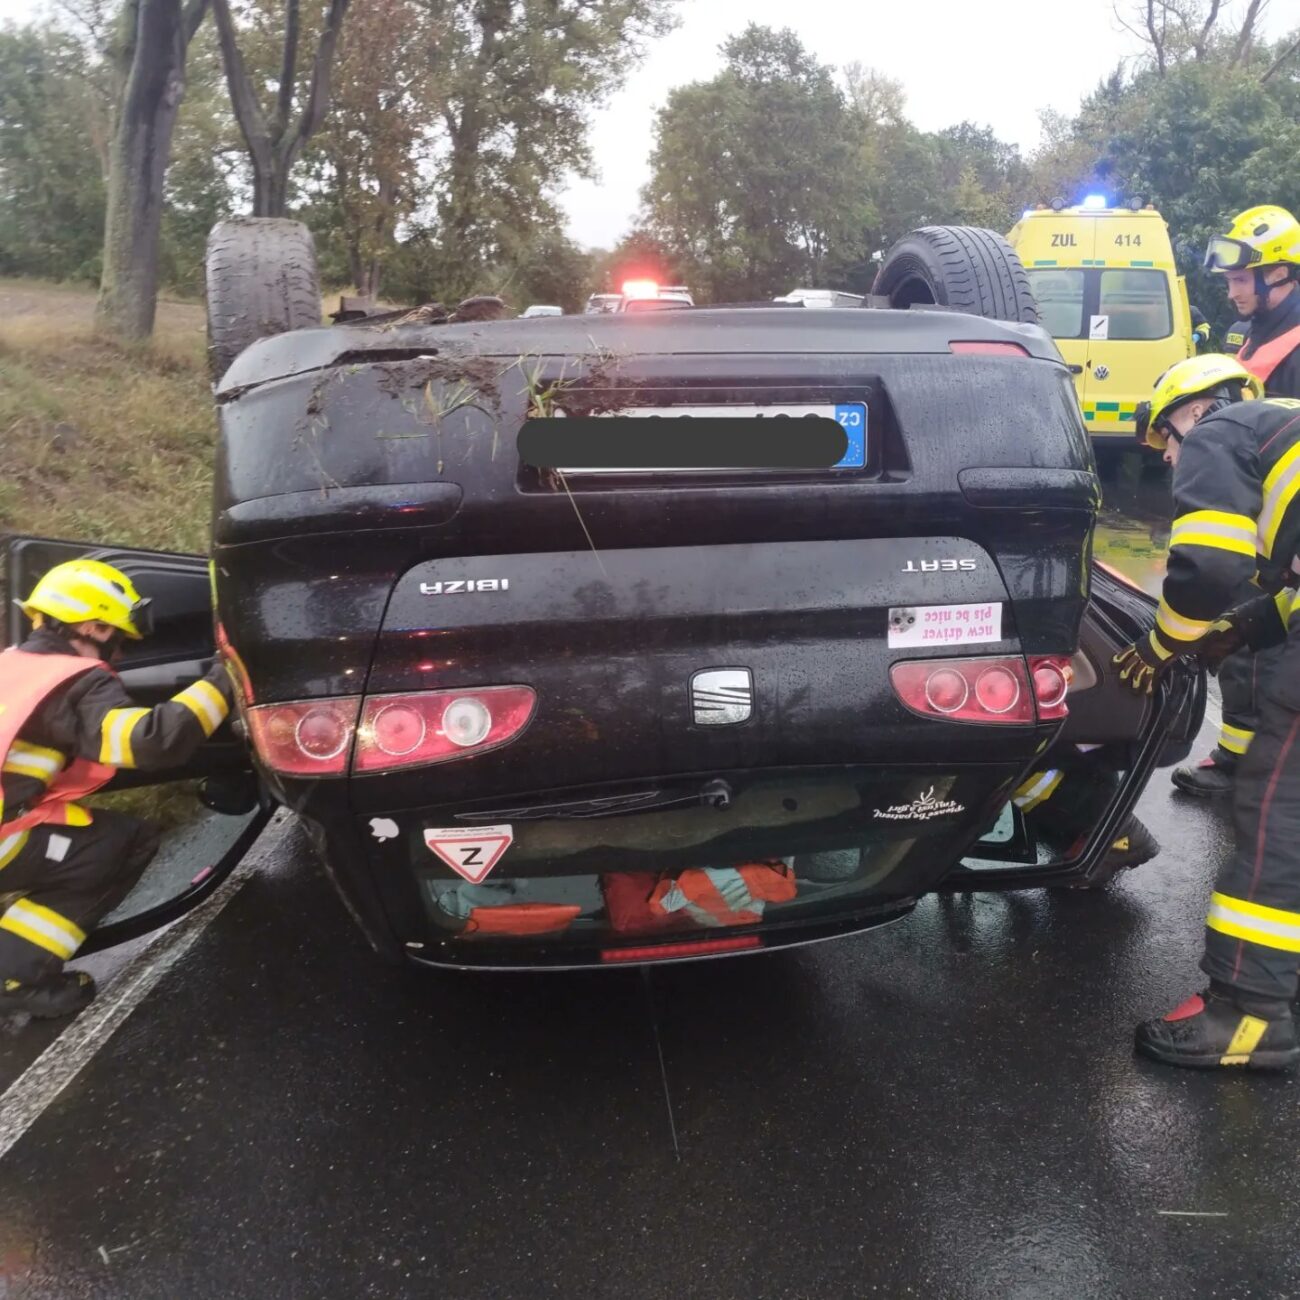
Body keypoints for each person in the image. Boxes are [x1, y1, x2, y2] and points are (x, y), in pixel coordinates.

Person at [1109, 355, 1300, 1068]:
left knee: (1281, 814)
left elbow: (1207, 568)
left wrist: (1164, 644)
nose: (1168, 455)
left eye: (1166, 438)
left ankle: (1251, 1015)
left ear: (1196, 410)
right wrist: (1243, 630)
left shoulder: (1227, 433)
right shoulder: (1289, 435)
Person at [0, 559, 233, 1020]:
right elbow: (150, 741)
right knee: (119, 843)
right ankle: (15, 977)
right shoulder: (70, 680)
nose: (121, 657)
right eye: (120, 639)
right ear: (93, 626)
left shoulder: (12, 664)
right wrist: (228, 677)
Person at [1169, 207, 1300, 797]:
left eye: (1242, 278)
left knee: (1265, 644)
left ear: (1281, 275)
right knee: (1249, 642)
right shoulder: (1251, 336)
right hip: (1258, 516)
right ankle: (1244, 755)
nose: (1231, 289)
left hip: (1279, 527)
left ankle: (1247, 767)